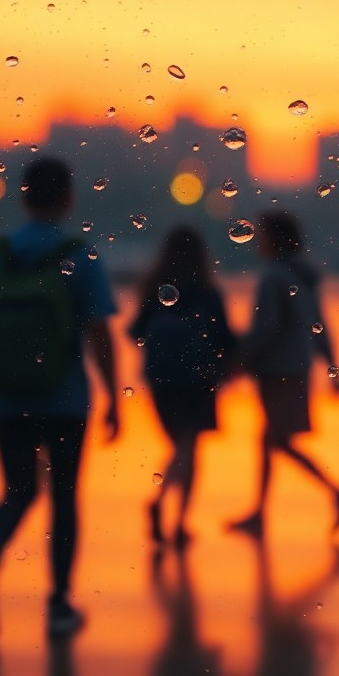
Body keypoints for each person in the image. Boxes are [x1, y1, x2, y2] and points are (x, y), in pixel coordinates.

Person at [0, 157, 120, 638]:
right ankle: (59, 605)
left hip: (9, 398)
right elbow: (99, 333)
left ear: (23, 196)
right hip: (65, 399)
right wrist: (115, 396)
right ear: (67, 198)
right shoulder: (80, 255)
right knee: (64, 497)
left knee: (18, 490)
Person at [227, 211, 339, 536]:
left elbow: (264, 328)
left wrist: (238, 360)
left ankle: (338, 493)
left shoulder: (273, 277)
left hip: (276, 369)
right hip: (297, 367)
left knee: (279, 441)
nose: (258, 241)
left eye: (262, 234)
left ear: (275, 239)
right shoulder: (304, 276)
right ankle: (259, 512)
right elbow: (319, 325)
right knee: (270, 439)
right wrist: (334, 369)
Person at [128, 226, 236, 548]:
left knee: (180, 445)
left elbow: (136, 331)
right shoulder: (208, 292)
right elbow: (225, 338)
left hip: (161, 379)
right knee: (189, 447)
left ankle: (166, 508)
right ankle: (177, 519)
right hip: (200, 379)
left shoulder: (155, 289)